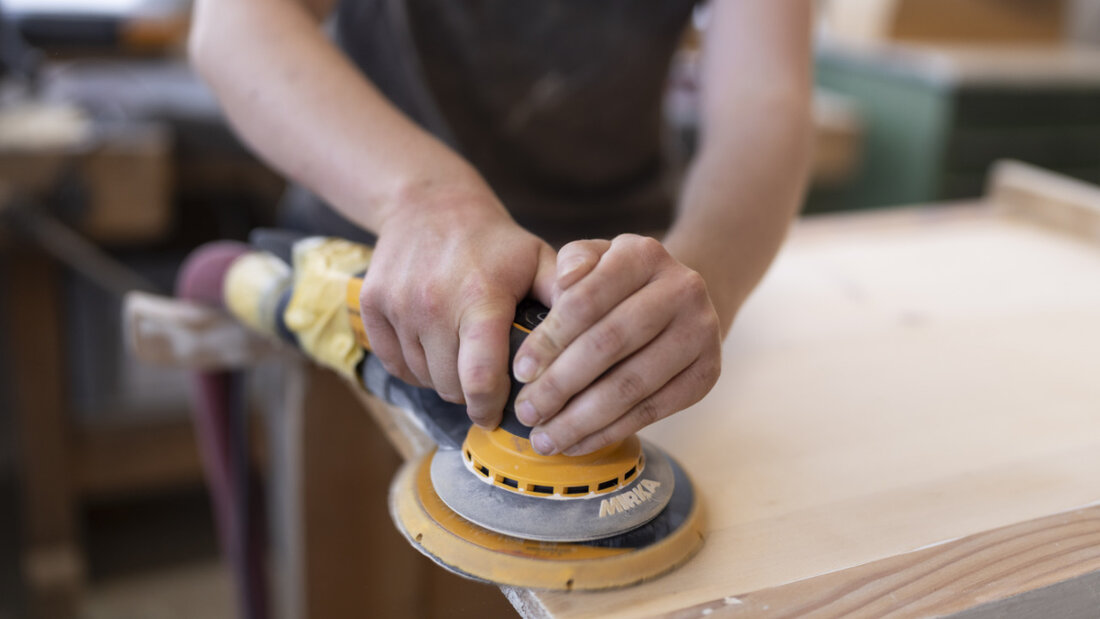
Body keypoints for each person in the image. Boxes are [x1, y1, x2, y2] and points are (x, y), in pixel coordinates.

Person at [188, 1, 812, 457]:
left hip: (628, 301)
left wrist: (706, 276)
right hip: (376, 271)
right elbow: (238, 23)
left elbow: (765, 98)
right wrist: (429, 201)